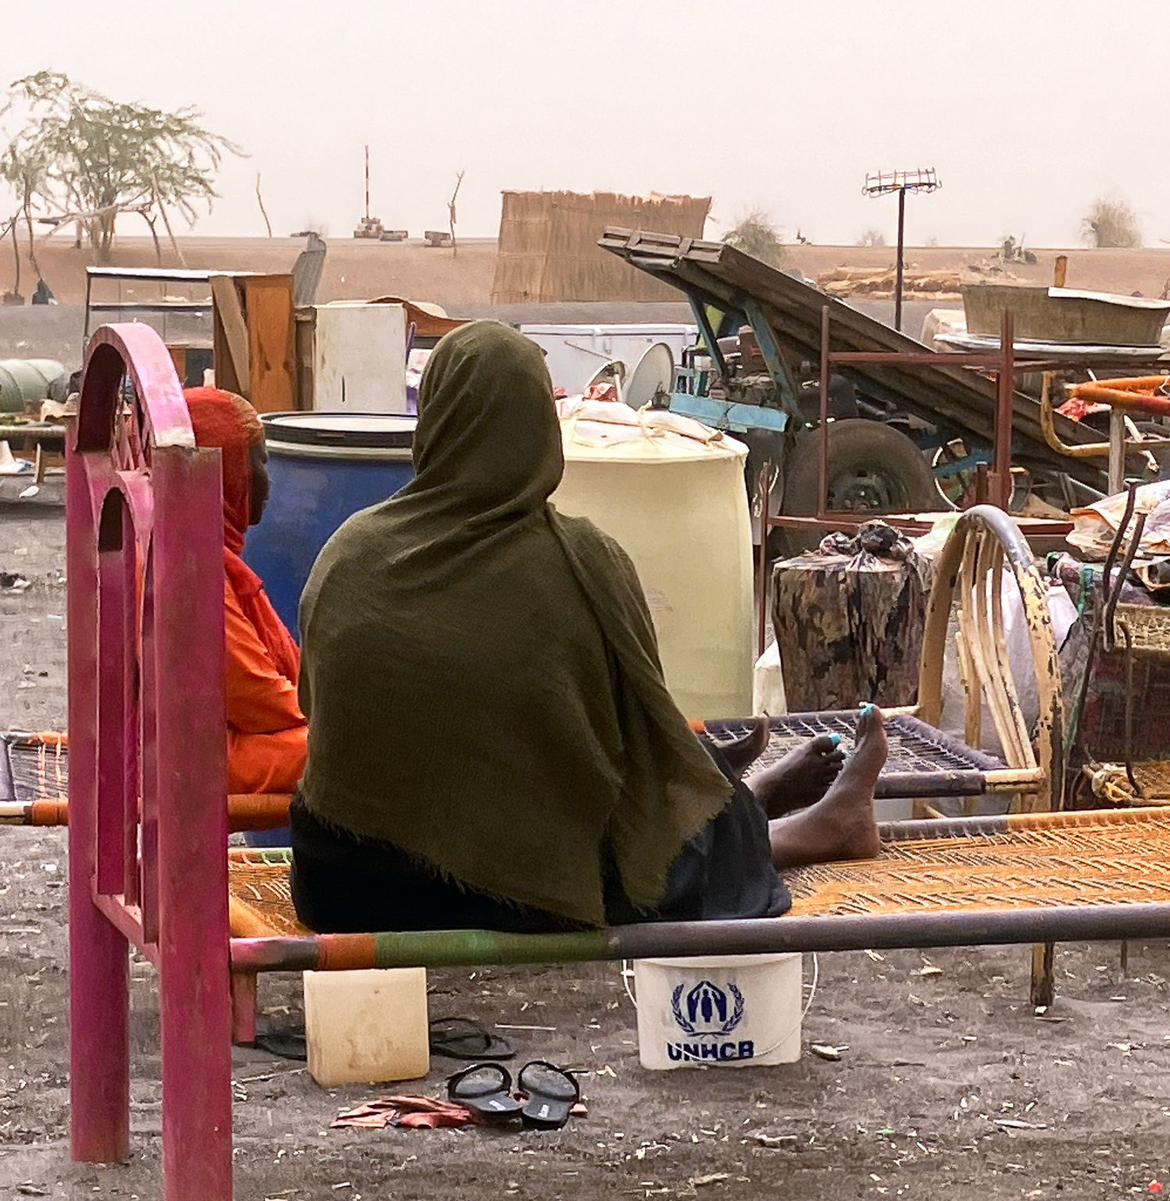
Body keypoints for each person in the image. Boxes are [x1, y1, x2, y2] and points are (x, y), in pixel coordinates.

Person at [290, 322, 886, 935]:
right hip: (503, 891)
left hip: (337, 879)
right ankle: (804, 828)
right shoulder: (582, 559)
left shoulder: (350, 550)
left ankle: (742, 800)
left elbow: (318, 706)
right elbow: (635, 735)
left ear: (434, 420)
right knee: (657, 837)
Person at [183, 387, 307, 796]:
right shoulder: (193, 569)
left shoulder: (192, 546)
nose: (269, 483)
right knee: (365, 753)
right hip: (195, 756)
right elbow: (258, 701)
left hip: (199, 739)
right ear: (228, 472)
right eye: (261, 464)